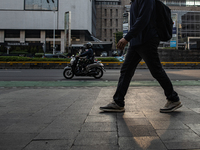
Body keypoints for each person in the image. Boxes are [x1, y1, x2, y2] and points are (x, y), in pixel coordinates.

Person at [100, 0, 182, 113]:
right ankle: (118, 102)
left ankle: (173, 99)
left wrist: (127, 38)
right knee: (126, 70)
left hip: (147, 40)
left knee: (156, 70)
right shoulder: (134, 1)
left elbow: (143, 19)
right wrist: (131, 39)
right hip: (136, 41)